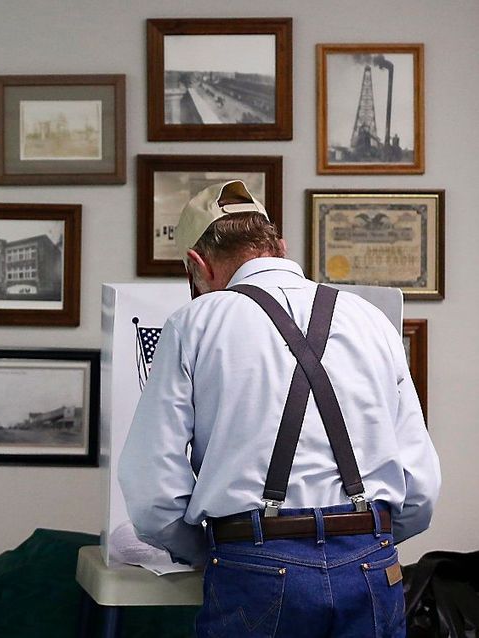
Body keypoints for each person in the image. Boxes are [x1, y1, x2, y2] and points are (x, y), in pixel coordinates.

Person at [117, 180, 440, 637]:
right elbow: (421, 487)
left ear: (197, 265)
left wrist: (214, 548)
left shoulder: (195, 322)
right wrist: (366, 539)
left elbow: (152, 492)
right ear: (280, 247)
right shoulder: (371, 319)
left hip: (254, 566)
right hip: (371, 565)